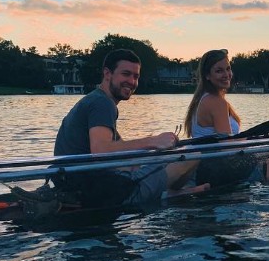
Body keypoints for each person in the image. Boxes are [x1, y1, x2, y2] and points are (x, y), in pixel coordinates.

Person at [53, 49, 206, 207]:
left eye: (136, 76)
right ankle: (171, 193)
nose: (132, 82)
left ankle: (169, 192)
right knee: (192, 155)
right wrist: (154, 141)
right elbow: (100, 151)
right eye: (126, 74)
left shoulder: (95, 100)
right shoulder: (102, 103)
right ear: (107, 74)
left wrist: (152, 155)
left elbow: (121, 151)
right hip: (102, 191)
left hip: (78, 184)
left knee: (144, 164)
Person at [183, 49, 269, 186]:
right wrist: (246, 138)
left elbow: (223, 141)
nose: (226, 74)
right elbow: (227, 147)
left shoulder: (201, 98)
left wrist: (245, 139)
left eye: (228, 69)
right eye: (219, 71)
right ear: (207, 76)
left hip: (209, 167)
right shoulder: (216, 102)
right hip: (223, 169)